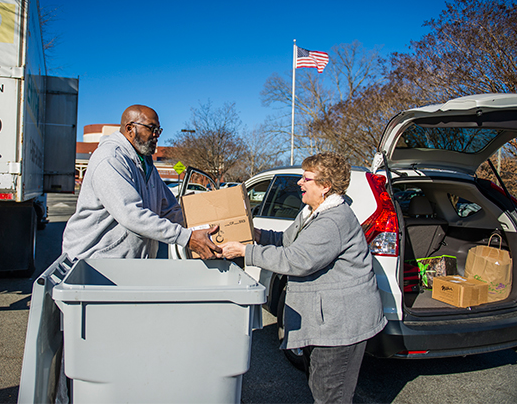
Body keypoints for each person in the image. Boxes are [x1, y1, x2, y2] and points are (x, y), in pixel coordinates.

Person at [219, 152, 386, 404]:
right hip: (324, 322)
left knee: (332, 395)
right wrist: (255, 234)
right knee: (319, 386)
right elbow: (287, 242)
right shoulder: (311, 213)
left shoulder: (334, 220)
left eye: (306, 178)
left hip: (340, 325)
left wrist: (245, 251)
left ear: (326, 186)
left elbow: (296, 260)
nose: (300, 183)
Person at [62, 104, 220, 260]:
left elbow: (170, 210)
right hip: (95, 259)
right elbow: (131, 214)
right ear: (130, 128)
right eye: (151, 128)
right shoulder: (110, 158)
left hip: (129, 263)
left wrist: (210, 229)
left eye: (159, 130)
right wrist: (186, 237)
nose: (156, 135)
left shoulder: (146, 164)